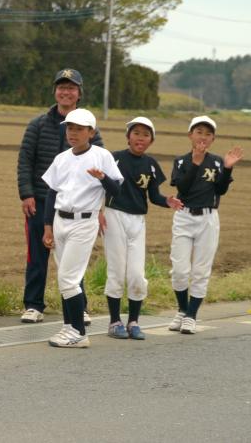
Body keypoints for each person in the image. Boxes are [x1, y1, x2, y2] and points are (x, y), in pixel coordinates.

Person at [17, 68, 103, 325]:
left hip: (74, 204)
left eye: (71, 88)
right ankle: (33, 305)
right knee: (37, 254)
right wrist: (26, 194)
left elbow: (101, 173)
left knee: (74, 258)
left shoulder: (90, 130)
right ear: (55, 91)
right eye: (61, 87)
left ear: (79, 93)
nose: (66, 92)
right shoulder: (38, 124)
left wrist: (99, 208)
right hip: (41, 200)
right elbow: (25, 161)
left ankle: (80, 307)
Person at [41, 109, 123, 348]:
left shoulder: (102, 156)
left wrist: (102, 178)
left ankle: (79, 332)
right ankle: (69, 326)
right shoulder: (62, 158)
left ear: (91, 132)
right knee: (64, 277)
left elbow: (117, 191)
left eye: (79, 129)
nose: (73, 133)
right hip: (60, 219)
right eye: (70, 128)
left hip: (84, 221)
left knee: (69, 278)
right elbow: (51, 193)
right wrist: (47, 226)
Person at [103, 117, 183, 340]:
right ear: (128, 136)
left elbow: (154, 195)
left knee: (137, 274)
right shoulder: (114, 159)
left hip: (138, 220)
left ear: (151, 140)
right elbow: (100, 187)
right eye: (136, 133)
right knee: (117, 270)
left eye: (145, 135)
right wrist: (99, 213)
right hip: (114, 215)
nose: (140, 138)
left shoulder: (151, 165)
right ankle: (114, 321)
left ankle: (134, 322)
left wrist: (168, 201)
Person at [167, 116, 243, 334]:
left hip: (208, 219)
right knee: (180, 270)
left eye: (208, 134)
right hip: (184, 216)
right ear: (190, 135)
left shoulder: (218, 162)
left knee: (200, 271)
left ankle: (191, 316)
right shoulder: (181, 161)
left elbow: (220, 190)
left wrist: (227, 169)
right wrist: (196, 162)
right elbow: (182, 187)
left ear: (213, 139)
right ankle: (182, 309)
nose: (203, 137)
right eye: (199, 132)